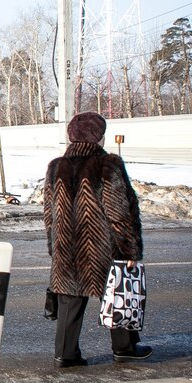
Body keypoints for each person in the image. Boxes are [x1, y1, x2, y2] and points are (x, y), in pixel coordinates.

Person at [44, 111, 152, 367]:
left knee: (70, 298)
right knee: (116, 293)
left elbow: (49, 213)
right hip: (102, 246)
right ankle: (124, 348)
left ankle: (65, 354)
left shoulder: (56, 166)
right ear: (99, 137)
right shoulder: (108, 165)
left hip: (66, 246)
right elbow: (119, 211)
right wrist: (129, 251)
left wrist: (53, 245)